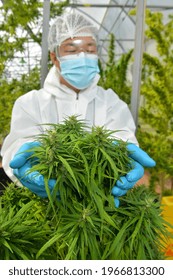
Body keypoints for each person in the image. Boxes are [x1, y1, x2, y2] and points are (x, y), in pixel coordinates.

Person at [1, 10, 155, 207]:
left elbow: (123, 138)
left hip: (99, 206)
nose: (82, 57)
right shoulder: (30, 103)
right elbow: (18, 145)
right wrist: (25, 160)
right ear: (54, 57)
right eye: (72, 50)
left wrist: (122, 157)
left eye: (90, 50)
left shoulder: (111, 102)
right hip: (44, 205)